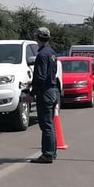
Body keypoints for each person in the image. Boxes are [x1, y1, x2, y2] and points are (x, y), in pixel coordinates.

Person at [30, 27, 59, 163]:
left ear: (37, 38)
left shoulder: (42, 55)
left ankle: (47, 154)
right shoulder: (52, 52)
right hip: (53, 91)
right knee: (50, 124)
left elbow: (40, 77)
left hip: (45, 92)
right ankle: (52, 152)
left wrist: (32, 92)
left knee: (46, 124)